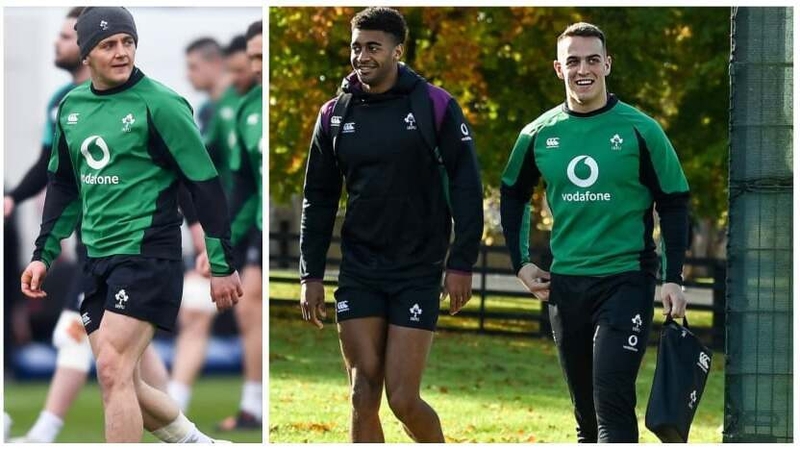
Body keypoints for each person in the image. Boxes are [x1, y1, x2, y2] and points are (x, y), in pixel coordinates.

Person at [20, 7, 241, 443]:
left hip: (148, 254)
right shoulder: (71, 108)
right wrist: (43, 254)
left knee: (111, 370)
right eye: (108, 45)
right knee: (125, 380)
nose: (122, 52)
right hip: (94, 258)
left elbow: (204, 185)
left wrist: (221, 263)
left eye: (128, 42)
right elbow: (63, 186)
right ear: (86, 54)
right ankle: (200, 444)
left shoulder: (161, 104)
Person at [299, 7, 483, 443]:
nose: (362, 56)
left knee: (402, 399)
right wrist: (310, 274)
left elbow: (467, 188)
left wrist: (461, 263)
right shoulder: (333, 115)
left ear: (398, 51)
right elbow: (318, 199)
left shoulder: (434, 105)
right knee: (362, 393)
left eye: (373, 47)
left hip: (418, 268)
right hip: (360, 268)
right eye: (356, 47)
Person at [500, 22, 690, 443]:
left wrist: (673, 277)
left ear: (607, 64)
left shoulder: (642, 130)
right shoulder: (537, 134)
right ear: (558, 68)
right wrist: (521, 263)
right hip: (566, 284)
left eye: (591, 60)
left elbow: (674, 203)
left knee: (612, 399)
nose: (582, 69)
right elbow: (512, 195)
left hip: (626, 279)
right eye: (572, 61)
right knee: (586, 416)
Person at [6, 7, 170, 443]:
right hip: (87, 244)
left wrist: (202, 235)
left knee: (92, 347)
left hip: (133, 249)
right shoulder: (63, 104)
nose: (58, 44)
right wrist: (29, 217)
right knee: (128, 361)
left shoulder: (149, 102)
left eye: (65, 36)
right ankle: (189, 433)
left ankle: (43, 432)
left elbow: (183, 174)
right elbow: (55, 172)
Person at [216, 20, 263, 432]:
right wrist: (221, 244)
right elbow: (245, 185)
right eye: (253, 58)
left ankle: (256, 406)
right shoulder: (248, 109)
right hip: (261, 226)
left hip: (289, 225)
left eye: (264, 57)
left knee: (253, 305)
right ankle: (253, 405)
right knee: (248, 307)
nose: (257, 66)